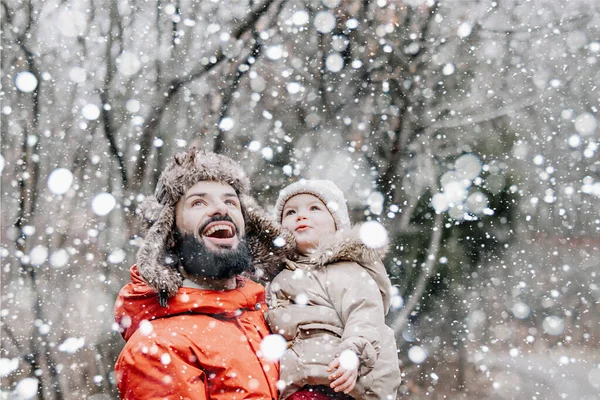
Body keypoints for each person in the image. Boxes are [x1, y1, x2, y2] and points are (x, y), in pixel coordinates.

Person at [114, 148, 296, 399]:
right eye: (199, 202)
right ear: (170, 235)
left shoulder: (274, 317)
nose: (221, 209)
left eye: (231, 201)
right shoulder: (156, 347)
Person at [266, 180, 401, 400]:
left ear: (336, 223)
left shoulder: (346, 269)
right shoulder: (277, 277)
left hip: (338, 382)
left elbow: (364, 314)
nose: (301, 216)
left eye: (314, 208)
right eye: (290, 212)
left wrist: (352, 354)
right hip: (295, 384)